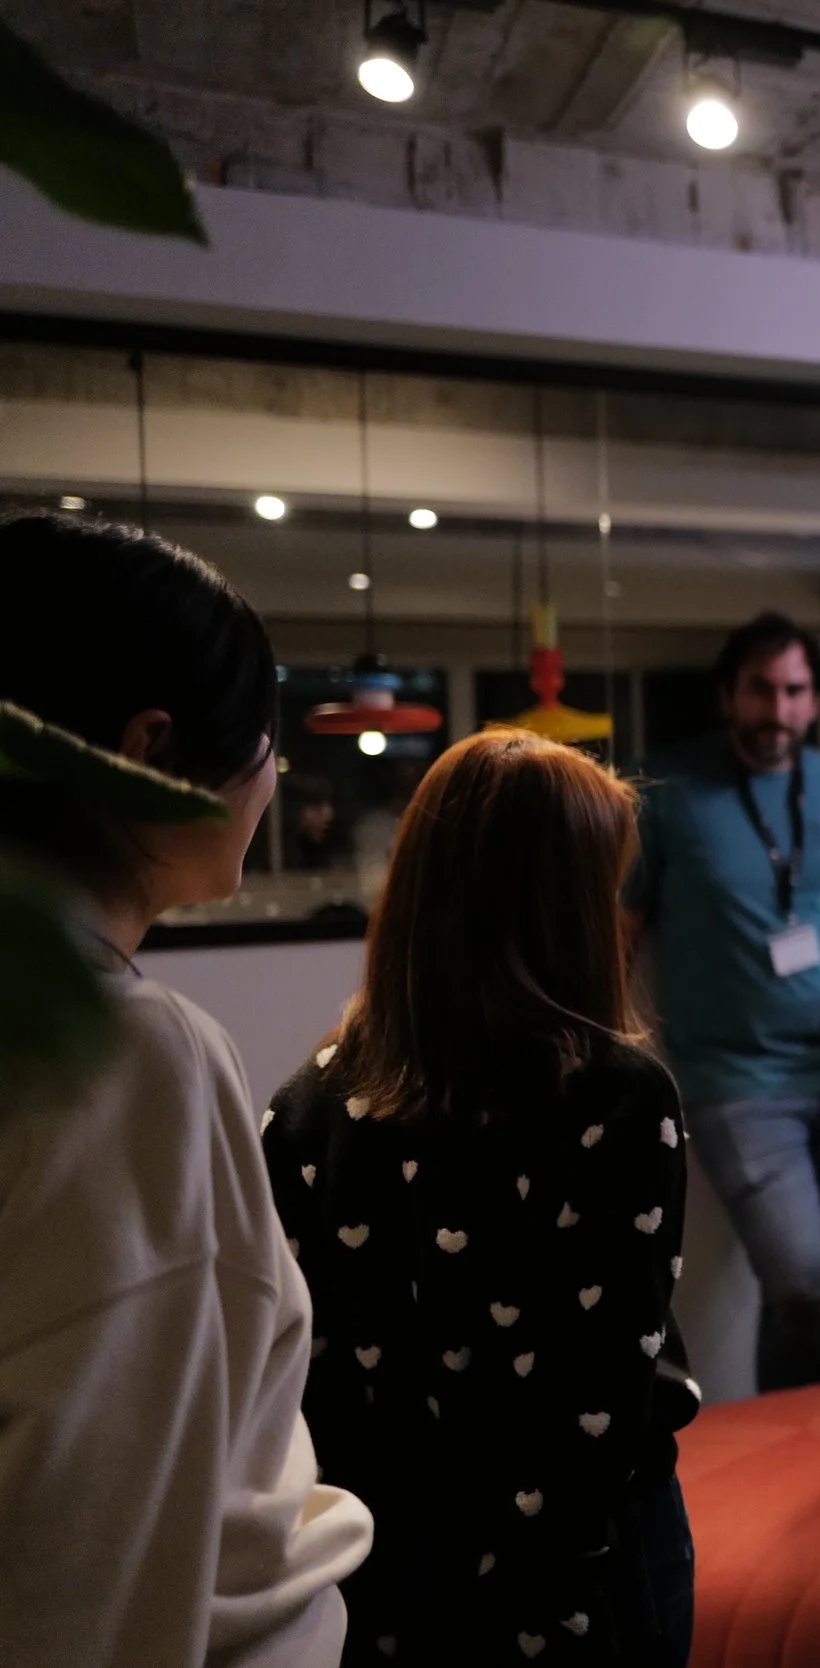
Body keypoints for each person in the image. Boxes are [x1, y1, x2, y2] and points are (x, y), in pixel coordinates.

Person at [0, 513, 374, 1667]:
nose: (277, 781)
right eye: (265, 743)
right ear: (153, 753)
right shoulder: (128, 1058)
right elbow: (97, 1550)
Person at [264, 729, 697, 1667]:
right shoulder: (617, 1098)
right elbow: (607, 1401)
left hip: (384, 1567)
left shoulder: (309, 1107)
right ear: (561, 906)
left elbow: (306, 1386)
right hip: (585, 1571)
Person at [626, 613, 820, 1390]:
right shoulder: (667, 790)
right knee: (809, 1283)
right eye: (760, 690)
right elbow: (622, 932)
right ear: (728, 694)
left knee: (798, 1297)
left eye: (794, 692)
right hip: (735, 1084)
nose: (776, 711)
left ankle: (798, 1457)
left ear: (814, 702)